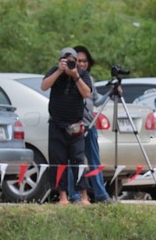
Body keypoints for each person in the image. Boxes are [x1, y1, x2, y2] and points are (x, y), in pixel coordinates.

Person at [41, 46, 94, 205]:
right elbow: (44, 86)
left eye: (72, 60)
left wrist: (75, 75)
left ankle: (84, 196)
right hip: (57, 124)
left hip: (76, 125)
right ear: (60, 60)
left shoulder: (82, 74)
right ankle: (62, 196)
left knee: (78, 161)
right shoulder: (54, 71)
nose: (69, 63)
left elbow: (86, 93)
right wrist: (59, 71)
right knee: (58, 161)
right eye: (66, 60)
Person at [73, 46, 112, 204]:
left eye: (84, 61)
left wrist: (111, 92)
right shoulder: (70, 78)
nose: (81, 64)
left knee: (94, 160)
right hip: (75, 125)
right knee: (76, 162)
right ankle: (75, 195)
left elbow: (96, 100)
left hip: (90, 124)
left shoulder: (89, 78)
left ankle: (101, 195)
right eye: (78, 61)